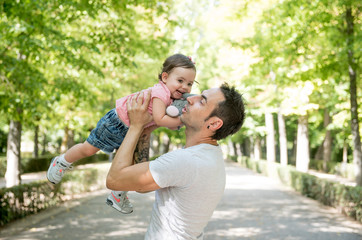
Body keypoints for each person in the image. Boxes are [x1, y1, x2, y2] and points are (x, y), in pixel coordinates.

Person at [47, 53, 196, 214]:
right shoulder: (160, 93)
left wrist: (175, 121)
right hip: (116, 123)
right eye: (180, 81)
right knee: (88, 149)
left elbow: (163, 119)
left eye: (190, 83)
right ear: (165, 77)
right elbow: (160, 119)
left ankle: (117, 195)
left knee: (128, 165)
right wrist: (182, 120)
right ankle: (62, 161)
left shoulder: (171, 98)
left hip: (132, 130)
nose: (185, 87)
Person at [106, 83, 245, 239]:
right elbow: (142, 186)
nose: (191, 99)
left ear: (214, 123)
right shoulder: (210, 156)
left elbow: (115, 180)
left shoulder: (187, 161)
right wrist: (146, 130)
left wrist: (135, 126)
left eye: (202, 101)